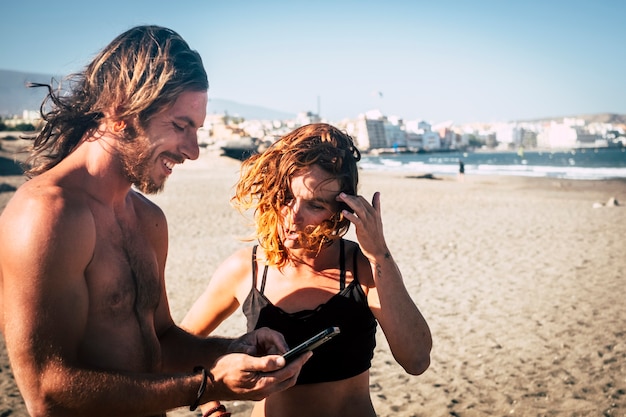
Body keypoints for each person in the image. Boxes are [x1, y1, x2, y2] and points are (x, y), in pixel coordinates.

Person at [0, 25, 309, 417]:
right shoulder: (47, 215)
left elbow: (161, 340)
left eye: (196, 130)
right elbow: (47, 391)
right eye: (180, 126)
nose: (193, 151)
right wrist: (209, 385)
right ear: (120, 112)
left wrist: (233, 350)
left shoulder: (148, 219)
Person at [182, 123, 432, 417]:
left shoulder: (363, 267)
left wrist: (379, 254)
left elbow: (416, 360)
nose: (293, 217)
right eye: (286, 197)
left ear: (341, 210)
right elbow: (180, 345)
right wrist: (210, 404)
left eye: (314, 205)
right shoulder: (245, 269)